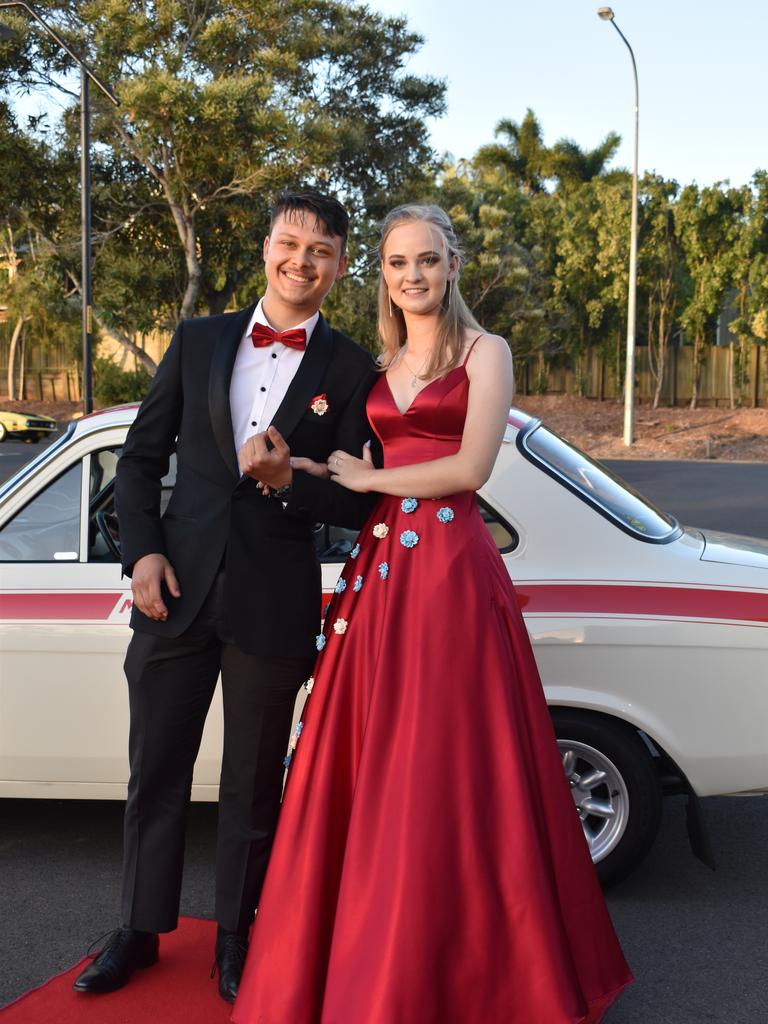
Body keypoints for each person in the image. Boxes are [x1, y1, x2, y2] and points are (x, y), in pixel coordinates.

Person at [233, 203, 633, 1023]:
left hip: (451, 573)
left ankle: (480, 965)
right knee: (380, 759)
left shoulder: (488, 352)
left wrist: (371, 480)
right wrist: (299, 464)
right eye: (395, 263)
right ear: (379, 275)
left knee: (452, 761)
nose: (411, 275)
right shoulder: (378, 367)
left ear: (451, 265)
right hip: (383, 573)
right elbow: (355, 462)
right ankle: (379, 952)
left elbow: (467, 467)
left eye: (426, 259)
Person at [73, 190, 380, 1003]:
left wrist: (288, 487)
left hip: (271, 603)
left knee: (252, 785)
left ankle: (240, 938)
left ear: (340, 264)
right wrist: (139, 553)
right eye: (289, 244)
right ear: (266, 247)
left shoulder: (352, 369)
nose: (301, 262)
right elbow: (136, 462)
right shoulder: (200, 338)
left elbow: (357, 502)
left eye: (320, 250)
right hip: (171, 593)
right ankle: (138, 930)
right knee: (156, 771)